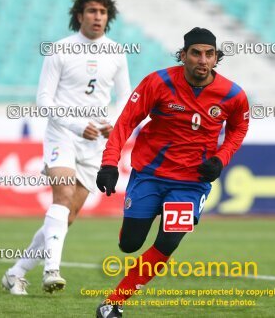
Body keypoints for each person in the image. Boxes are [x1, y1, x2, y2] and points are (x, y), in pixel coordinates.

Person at [94, 27, 250, 318]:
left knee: (167, 242)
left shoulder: (233, 94)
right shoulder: (158, 82)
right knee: (130, 244)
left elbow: (239, 127)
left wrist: (221, 158)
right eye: (195, 53)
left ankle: (112, 303)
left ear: (217, 58)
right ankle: (138, 218)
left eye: (209, 54)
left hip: (191, 183)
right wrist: (109, 163)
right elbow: (126, 121)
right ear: (183, 55)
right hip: (150, 175)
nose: (202, 59)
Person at [1, 0, 131, 295]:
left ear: (107, 17)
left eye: (102, 12)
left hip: (95, 142)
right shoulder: (60, 50)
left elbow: (126, 97)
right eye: (92, 11)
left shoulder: (117, 52)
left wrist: (117, 125)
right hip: (62, 134)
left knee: (68, 217)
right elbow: (44, 100)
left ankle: (16, 272)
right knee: (62, 196)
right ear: (79, 15)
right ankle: (51, 271)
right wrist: (74, 123)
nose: (97, 16)